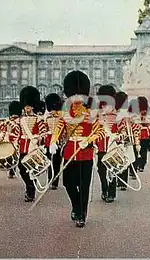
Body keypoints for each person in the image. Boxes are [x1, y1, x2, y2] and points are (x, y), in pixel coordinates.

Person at [58, 70, 105, 227]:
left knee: (84, 186)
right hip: (70, 151)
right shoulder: (64, 112)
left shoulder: (91, 113)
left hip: (85, 153)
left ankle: (82, 215)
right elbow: (60, 127)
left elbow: (100, 131)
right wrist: (53, 141)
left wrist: (89, 140)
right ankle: (76, 206)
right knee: (68, 183)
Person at [18, 86, 48, 202]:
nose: (27, 108)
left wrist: (39, 138)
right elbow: (18, 133)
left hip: (33, 146)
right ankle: (29, 186)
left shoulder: (38, 119)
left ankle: (30, 191)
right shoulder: (21, 120)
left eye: (29, 106)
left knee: (32, 169)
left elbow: (43, 132)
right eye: (26, 106)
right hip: (23, 147)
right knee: (21, 169)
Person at [95, 85, 119, 202]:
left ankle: (111, 193)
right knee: (101, 170)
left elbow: (123, 130)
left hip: (113, 147)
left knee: (113, 169)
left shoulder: (118, 115)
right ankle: (104, 188)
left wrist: (119, 136)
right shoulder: (98, 115)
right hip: (101, 147)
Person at [44, 93, 65, 190]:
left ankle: (55, 182)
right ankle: (50, 179)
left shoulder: (60, 118)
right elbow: (44, 129)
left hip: (58, 141)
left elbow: (63, 131)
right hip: (48, 141)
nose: (52, 111)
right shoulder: (47, 118)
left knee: (56, 162)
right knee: (49, 162)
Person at [0, 100, 22, 178]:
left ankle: (12, 171)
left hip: (17, 140)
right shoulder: (8, 120)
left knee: (15, 155)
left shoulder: (20, 121)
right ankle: (12, 170)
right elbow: (3, 128)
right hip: (10, 140)